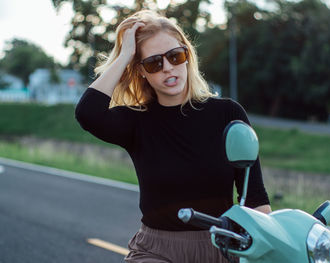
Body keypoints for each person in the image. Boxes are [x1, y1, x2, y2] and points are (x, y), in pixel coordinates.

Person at [75, 9, 271, 263]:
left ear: (187, 56)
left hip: (222, 250)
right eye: (154, 63)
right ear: (141, 70)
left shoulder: (228, 113)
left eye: (175, 56)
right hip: (156, 251)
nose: (168, 68)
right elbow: (88, 112)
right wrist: (125, 55)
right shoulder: (137, 121)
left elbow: (256, 200)